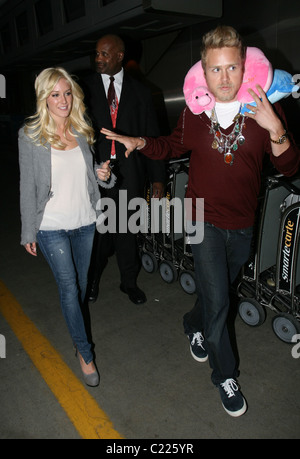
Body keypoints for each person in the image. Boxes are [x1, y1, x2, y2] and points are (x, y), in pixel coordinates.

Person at [99, 26, 300, 416]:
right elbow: (171, 146)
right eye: (215, 70)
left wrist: (276, 127)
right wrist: (140, 142)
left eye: (232, 68)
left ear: (245, 68)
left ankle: (193, 323)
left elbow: (289, 166)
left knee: (217, 292)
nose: (224, 79)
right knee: (221, 302)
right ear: (202, 72)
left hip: (242, 224)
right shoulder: (195, 114)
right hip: (201, 218)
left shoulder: (262, 110)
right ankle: (225, 375)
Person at [18, 67, 116, 387]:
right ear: (44, 98)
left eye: (67, 92)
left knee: (82, 286)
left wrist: (106, 175)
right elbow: (27, 186)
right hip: (51, 225)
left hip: (85, 221)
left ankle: (78, 337)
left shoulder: (82, 131)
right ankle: (85, 353)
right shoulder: (30, 136)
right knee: (69, 287)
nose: (63, 99)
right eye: (55, 94)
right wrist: (28, 231)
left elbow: (96, 177)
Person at [82, 34, 165, 305]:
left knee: (127, 231)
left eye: (105, 54)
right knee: (98, 232)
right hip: (96, 174)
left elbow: (152, 137)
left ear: (120, 56)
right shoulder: (83, 90)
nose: (98, 59)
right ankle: (91, 280)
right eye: (96, 54)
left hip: (130, 172)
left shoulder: (142, 92)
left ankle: (128, 283)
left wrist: (157, 179)